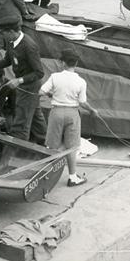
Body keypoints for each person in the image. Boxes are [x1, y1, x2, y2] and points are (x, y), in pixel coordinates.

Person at [40, 47, 99, 188]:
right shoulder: (81, 81)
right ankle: (73, 177)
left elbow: (41, 92)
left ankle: (47, 176)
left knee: (52, 146)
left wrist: (51, 95)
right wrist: (92, 110)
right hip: (72, 113)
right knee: (71, 147)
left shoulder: (55, 77)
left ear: (62, 63)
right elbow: (82, 102)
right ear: (76, 64)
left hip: (56, 112)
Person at [0, 20, 47, 144]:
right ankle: (44, 141)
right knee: (35, 115)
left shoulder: (29, 46)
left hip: (29, 87)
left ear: (11, 31)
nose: (2, 36)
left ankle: (18, 148)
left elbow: (39, 73)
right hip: (23, 84)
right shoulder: (11, 41)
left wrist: (19, 80)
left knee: (21, 120)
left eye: (3, 33)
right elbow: (8, 60)